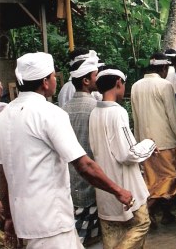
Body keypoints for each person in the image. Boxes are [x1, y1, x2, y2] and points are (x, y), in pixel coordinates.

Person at [0, 52, 133, 248]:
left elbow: (2, 173)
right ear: (45, 82)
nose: (56, 80)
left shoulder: (4, 116)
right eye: (53, 76)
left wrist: (10, 217)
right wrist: (118, 190)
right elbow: (83, 165)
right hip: (51, 221)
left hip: (25, 221)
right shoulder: (50, 113)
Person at [89, 66, 156, 248]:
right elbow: (129, 153)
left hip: (105, 188)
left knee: (111, 234)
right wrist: (150, 144)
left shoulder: (94, 113)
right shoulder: (117, 112)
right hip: (125, 186)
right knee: (142, 223)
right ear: (119, 83)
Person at [131, 52, 176, 227]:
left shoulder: (135, 86)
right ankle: (147, 211)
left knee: (152, 181)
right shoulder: (165, 85)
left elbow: (136, 117)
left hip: (145, 144)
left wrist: (138, 143)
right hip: (165, 142)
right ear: (163, 68)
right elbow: (172, 115)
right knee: (171, 178)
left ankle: (165, 214)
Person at [62, 55, 102, 245]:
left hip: (72, 178)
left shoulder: (64, 109)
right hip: (92, 177)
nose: (98, 78)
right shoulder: (96, 108)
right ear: (86, 81)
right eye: (96, 75)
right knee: (90, 235)